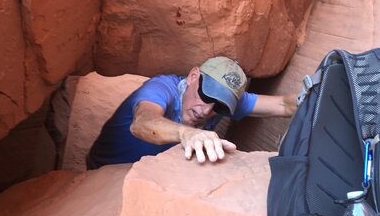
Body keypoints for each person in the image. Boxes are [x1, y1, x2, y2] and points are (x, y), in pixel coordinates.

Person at [86, 56, 297, 169]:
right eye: (206, 95)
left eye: (220, 106)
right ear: (193, 76)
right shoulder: (161, 88)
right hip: (105, 173)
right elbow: (142, 122)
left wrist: (322, 90)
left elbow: (284, 105)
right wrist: (188, 133)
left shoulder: (222, 103)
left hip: (155, 173)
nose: (207, 110)